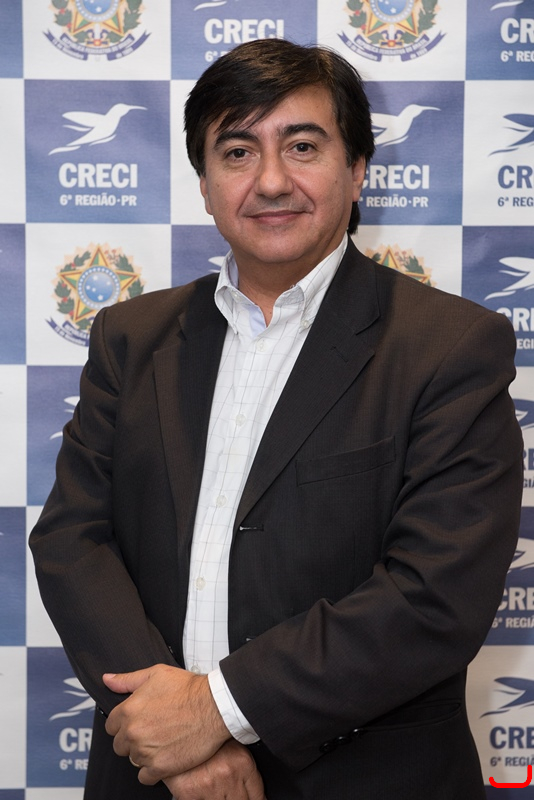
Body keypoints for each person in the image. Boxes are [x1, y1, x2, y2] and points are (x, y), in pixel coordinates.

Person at [30, 38, 523, 800]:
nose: (269, 180)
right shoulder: (131, 337)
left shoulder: (451, 348)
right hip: (153, 777)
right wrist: (178, 741)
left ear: (358, 169)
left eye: (302, 146)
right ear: (204, 184)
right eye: (237, 151)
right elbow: (73, 540)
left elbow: (434, 596)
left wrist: (217, 710)